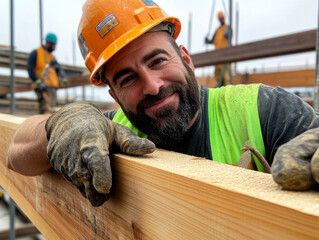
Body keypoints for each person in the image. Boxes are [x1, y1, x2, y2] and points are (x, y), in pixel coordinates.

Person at [7, 0, 319, 207]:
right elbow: (15, 154)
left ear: (186, 59)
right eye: (127, 79)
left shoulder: (263, 109)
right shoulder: (113, 130)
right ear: (114, 96)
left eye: (157, 60)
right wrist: (60, 124)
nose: (153, 86)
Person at [27, 33, 65, 114]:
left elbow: (58, 69)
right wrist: (37, 81)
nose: (54, 47)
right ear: (48, 43)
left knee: (52, 110)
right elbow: (30, 69)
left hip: (52, 87)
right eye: (54, 45)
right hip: (42, 86)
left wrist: (61, 75)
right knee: (45, 110)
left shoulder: (52, 57)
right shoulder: (36, 53)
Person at [205, 11, 232, 87]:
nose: (221, 20)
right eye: (220, 18)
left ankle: (227, 89)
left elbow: (230, 37)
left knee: (225, 75)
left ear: (224, 18)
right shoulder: (217, 30)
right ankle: (220, 86)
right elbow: (213, 41)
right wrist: (208, 41)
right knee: (217, 74)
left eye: (222, 18)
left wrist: (227, 34)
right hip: (217, 56)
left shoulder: (227, 28)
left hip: (225, 55)